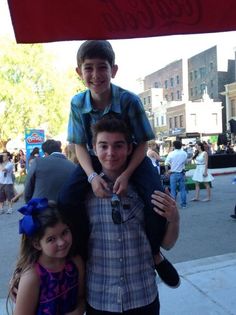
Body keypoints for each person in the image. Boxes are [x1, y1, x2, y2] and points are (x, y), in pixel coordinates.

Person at [59, 40, 180, 288]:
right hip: (94, 156)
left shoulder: (129, 100)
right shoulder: (76, 103)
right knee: (66, 199)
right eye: (88, 68)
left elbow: (144, 142)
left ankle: (155, 253)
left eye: (102, 67)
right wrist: (92, 176)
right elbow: (79, 145)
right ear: (79, 72)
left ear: (113, 70)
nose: (95, 75)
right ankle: (80, 254)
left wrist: (126, 174)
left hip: (132, 154)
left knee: (155, 196)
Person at [60, 117, 180, 314]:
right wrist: (29, 273)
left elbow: (167, 243)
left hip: (143, 296)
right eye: (103, 146)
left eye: (118, 145)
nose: (110, 153)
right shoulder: (82, 194)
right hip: (99, 298)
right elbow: (54, 235)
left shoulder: (147, 191)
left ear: (129, 148)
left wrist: (174, 219)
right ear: (93, 148)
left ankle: (157, 259)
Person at [8, 198, 85, 315]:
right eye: (51, 239)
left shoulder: (75, 262)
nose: (61, 242)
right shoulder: (32, 277)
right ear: (37, 244)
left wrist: (79, 310)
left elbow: (81, 297)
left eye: (64, 232)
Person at [164, 140, 188, 208]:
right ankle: (184, 205)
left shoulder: (171, 153)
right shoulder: (184, 153)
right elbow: (185, 163)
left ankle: (173, 205)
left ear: (174, 146)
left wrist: (167, 172)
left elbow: (166, 163)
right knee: (183, 189)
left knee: (173, 190)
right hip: (181, 173)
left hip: (173, 173)